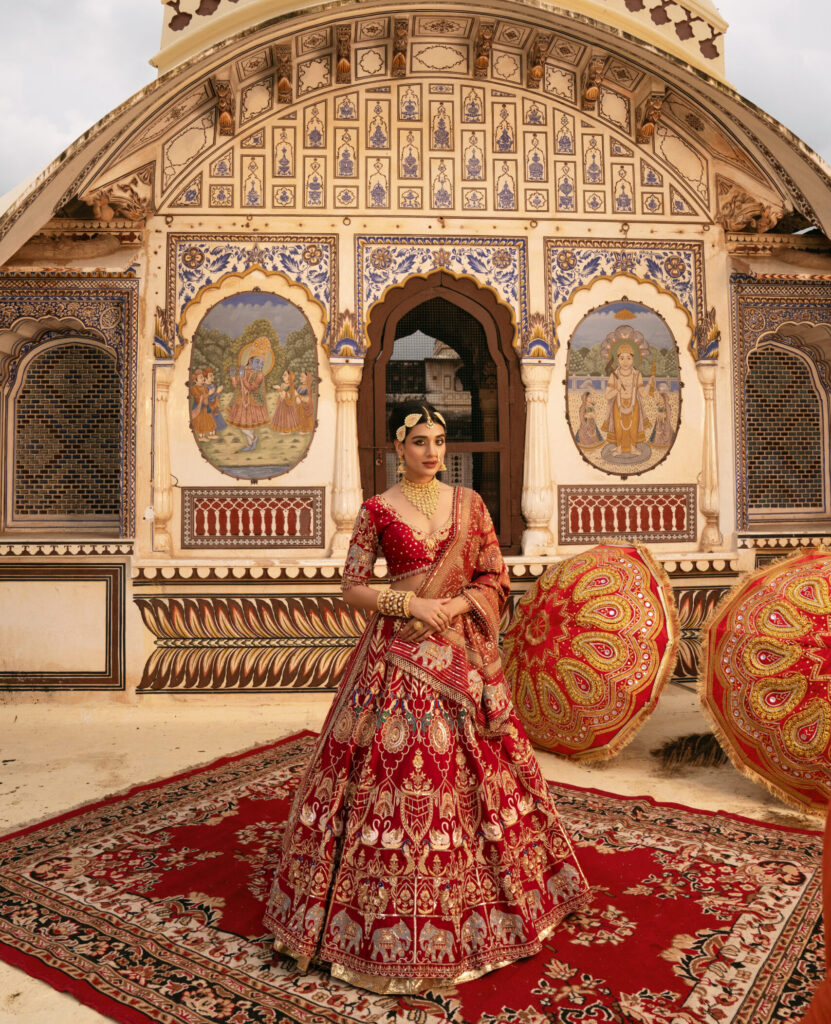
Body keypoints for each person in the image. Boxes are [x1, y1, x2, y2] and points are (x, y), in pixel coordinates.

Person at [263, 400, 591, 993]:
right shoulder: (376, 510)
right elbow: (353, 587)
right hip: (396, 652)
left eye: (439, 440)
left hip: (459, 650)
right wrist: (411, 605)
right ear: (399, 446)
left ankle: (487, 897)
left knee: (475, 772)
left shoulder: (472, 505)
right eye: (419, 441)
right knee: (394, 771)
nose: (432, 451)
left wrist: (455, 606)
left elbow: (494, 577)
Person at [603, 342, 653, 455]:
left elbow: (643, 394)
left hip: (633, 405)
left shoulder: (637, 374)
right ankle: (619, 448)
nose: (625, 362)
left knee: (633, 426)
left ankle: (633, 448)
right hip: (618, 405)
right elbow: (607, 395)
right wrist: (617, 390)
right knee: (618, 427)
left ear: (633, 360)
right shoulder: (613, 375)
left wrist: (649, 384)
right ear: (617, 360)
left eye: (628, 358)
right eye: (622, 358)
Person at [227, 354, 268, 451]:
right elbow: (236, 385)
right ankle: (251, 442)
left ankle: (252, 442)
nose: (260, 365)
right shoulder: (244, 370)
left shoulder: (259, 375)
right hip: (241, 401)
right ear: (250, 361)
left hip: (253, 402)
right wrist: (233, 376)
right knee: (243, 425)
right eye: (257, 362)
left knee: (249, 425)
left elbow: (251, 388)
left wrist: (243, 377)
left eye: (262, 363)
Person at [271, 368, 302, 433]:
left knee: (288, 417)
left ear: (289, 377)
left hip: (288, 405)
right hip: (282, 403)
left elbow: (290, 395)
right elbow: (281, 395)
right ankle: (283, 429)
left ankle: (287, 430)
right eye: (283, 375)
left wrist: (279, 389)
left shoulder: (291, 386)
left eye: (284, 375)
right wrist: (280, 391)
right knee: (281, 416)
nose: (282, 376)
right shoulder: (282, 384)